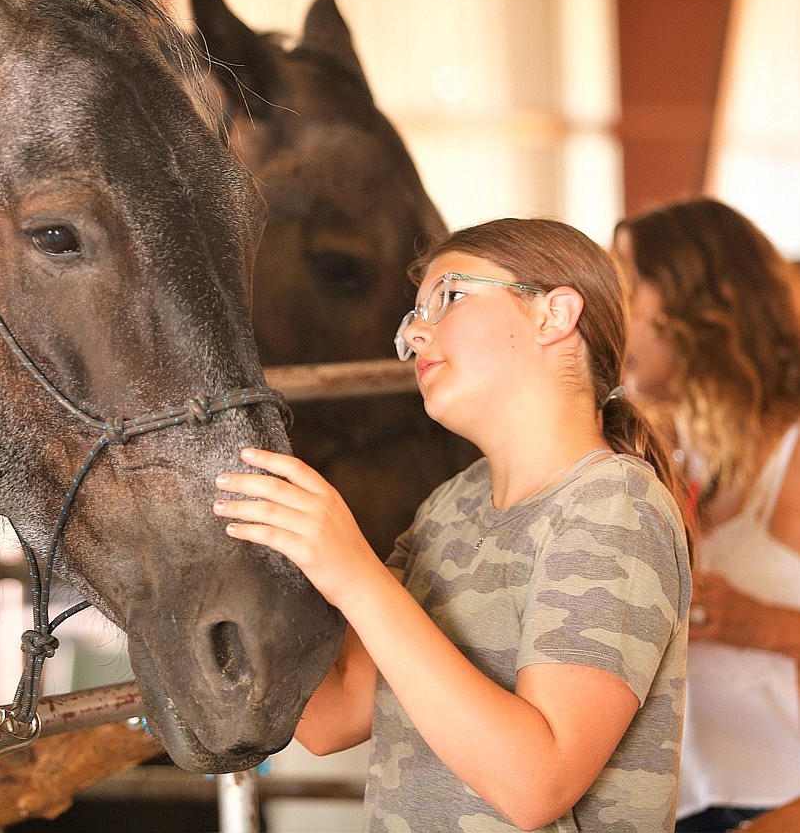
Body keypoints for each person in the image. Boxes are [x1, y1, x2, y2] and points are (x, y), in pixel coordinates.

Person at [212, 217, 692, 832]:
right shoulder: (448, 508)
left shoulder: (613, 502)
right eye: (413, 314)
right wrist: (219, 565)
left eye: (450, 297)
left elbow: (536, 785)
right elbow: (332, 718)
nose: (414, 333)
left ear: (555, 314)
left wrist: (354, 572)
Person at [614, 197, 800, 832]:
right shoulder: (671, 464)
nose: (609, 313)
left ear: (700, 302)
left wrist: (765, 625)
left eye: (627, 283)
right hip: (681, 808)